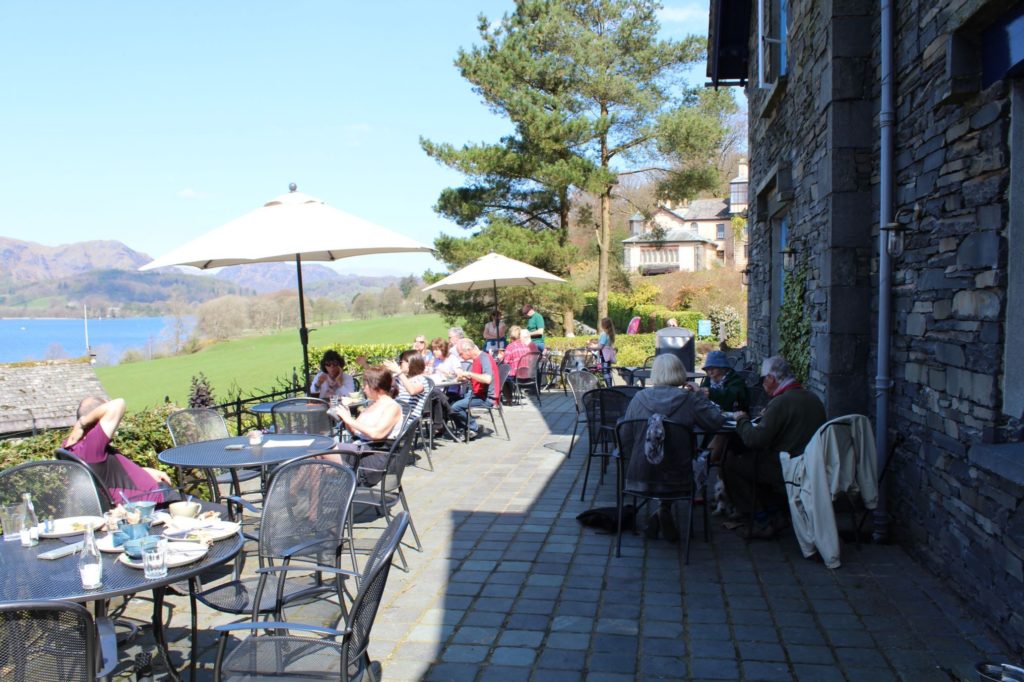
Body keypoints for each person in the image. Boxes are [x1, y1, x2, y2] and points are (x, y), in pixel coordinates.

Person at [621, 355, 725, 541]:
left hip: (640, 475)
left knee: (663, 463)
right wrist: (700, 395)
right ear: (680, 374)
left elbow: (625, 437)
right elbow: (716, 421)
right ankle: (663, 509)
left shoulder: (638, 398)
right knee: (687, 460)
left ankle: (661, 510)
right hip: (679, 477)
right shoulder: (689, 400)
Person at [722, 356, 827, 539]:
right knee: (752, 460)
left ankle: (761, 519)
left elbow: (755, 440)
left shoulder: (781, 403)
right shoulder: (812, 398)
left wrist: (741, 420)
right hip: (812, 464)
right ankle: (774, 510)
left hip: (789, 467)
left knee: (730, 463)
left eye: (763, 379)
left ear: (771, 379)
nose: (762, 383)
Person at [63, 397, 173, 504]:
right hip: (154, 500)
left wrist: (145, 471)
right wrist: (83, 423)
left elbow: (106, 475)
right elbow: (118, 404)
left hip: (149, 493)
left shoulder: (70, 447)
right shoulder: (92, 447)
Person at [326, 366, 404, 486]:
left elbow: (376, 434)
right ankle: (304, 498)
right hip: (358, 451)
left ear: (375, 386)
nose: (363, 387)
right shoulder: (373, 404)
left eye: (365, 384)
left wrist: (349, 420)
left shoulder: (392, 407)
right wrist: (346, 416)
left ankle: (301, 496)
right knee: (315, 460)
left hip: (371, 458)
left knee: (322, 452)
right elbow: (355, 432)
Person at [450, 339, 500, 439]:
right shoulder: (476, 359)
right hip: (477, 393)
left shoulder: (484, 358)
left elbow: (487, 379)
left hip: (487, 397)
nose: (460, 356)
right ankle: (464, 428)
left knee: (454, 407)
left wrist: (469, 374)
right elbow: (477, 377)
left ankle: (473, 427)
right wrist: (467, 377)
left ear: (468, 350)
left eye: (461, 353)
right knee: (449, 402)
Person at [384, 350, 431, 421]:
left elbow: (412, 391)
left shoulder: (420, 379)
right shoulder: (399, 378)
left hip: (408, 419)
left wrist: (399, 372)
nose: (399, 365)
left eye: (401, 362)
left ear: (411, 363)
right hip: (394, 415)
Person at [589, 317, 617, 386]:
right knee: (607, 371)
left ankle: (609, 388)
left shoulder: (604, 334)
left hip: (604, 355)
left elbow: (600, 346)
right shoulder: (610, 334)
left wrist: (591, 347)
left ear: (604, 325)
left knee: (605, 371)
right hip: (608, 355)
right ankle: (610, 387)